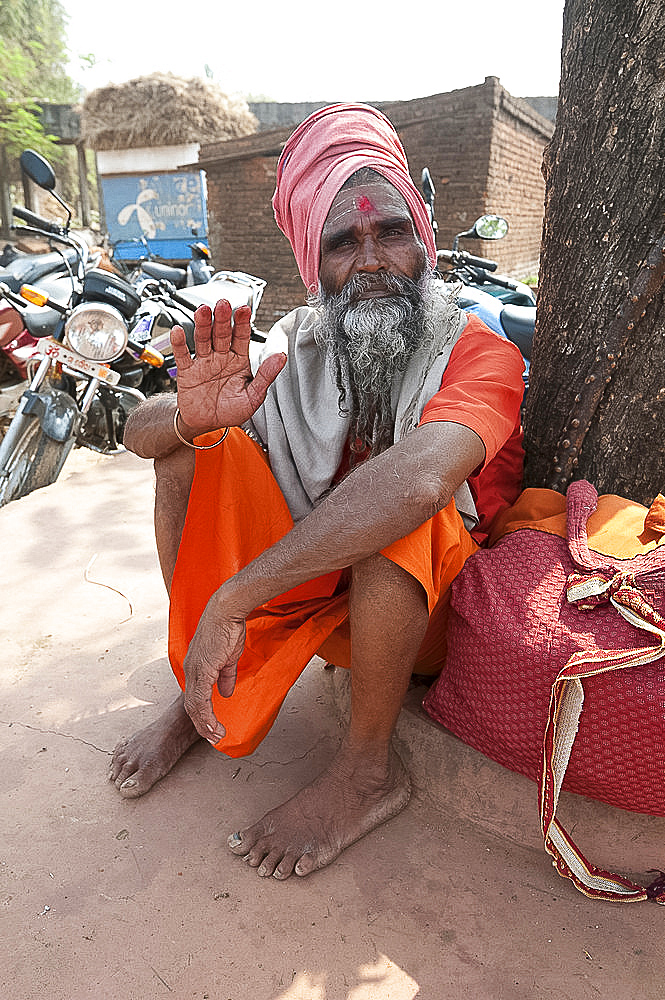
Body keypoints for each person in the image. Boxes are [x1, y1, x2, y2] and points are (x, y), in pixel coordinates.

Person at [109, 103, 525, 880]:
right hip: (310, 593)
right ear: (312, 261)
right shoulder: (293, 346)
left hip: (425, 621)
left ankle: (367, 773)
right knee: (191, 452)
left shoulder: (480, 354)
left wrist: (234, 598)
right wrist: (188, 417)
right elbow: (137, 432)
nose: (370, 259)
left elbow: (425, 476)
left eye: (390, 232)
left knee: (401, 503)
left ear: (423, 242)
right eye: (343, 241)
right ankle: (197, 689)